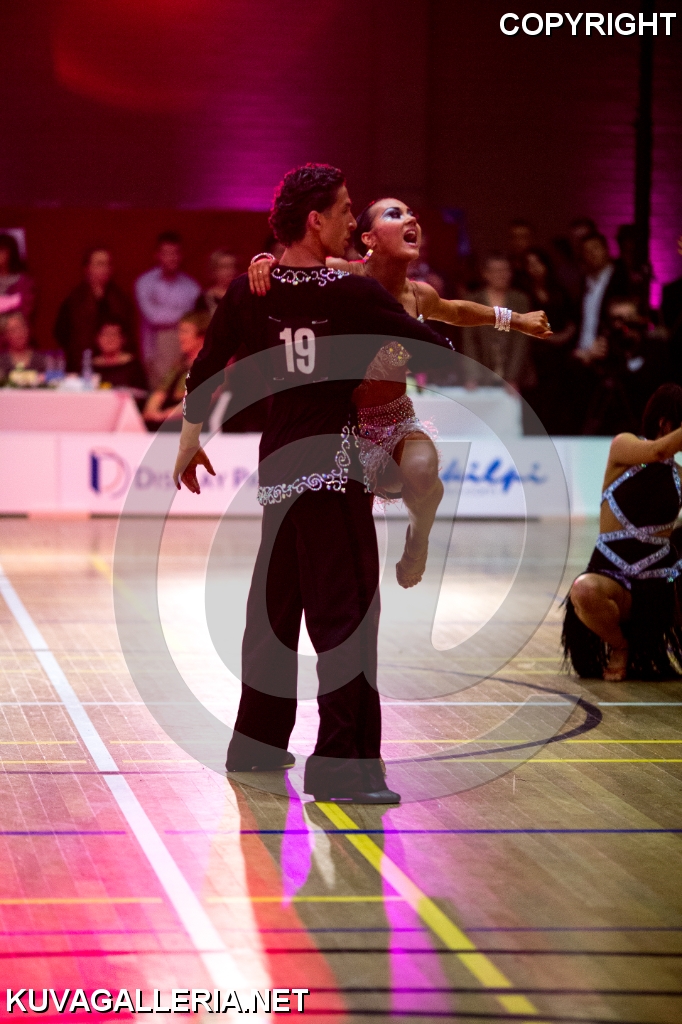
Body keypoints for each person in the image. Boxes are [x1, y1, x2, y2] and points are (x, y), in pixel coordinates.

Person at [173, 163, 463, 805]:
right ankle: (342, 766)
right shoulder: (349, 294)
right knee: (347, 616)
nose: (352, 221)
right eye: (344, 210)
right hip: (333, 468)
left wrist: (190, 440)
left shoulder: (251, 290)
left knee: (274, 613)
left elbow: (206, 366)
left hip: (278, 469)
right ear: (315, 220)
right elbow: (433, 349)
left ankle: (257, 743)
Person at [249, 200, 550, 584]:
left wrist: (516, 319)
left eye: (411, 214)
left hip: (393, 420)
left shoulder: (418, 296)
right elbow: (293, 268)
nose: (410, 219)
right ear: (369, 238)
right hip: (337, 426)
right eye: (394, 214)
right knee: (340, 533)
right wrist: (264, 262)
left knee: (423, 469)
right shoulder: (340, 273)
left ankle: (418, 541)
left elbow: (457, 311)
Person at [563, 384, 682, 682]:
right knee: (584, 590)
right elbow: (657, 451)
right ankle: (620, 646)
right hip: (612, 576)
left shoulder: (679, 475)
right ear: (665, 424)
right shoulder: (624, 446)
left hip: (660, 583)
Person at [581, 298, 669, 437]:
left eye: (630, 318)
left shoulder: (657, 352)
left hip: (647, 431)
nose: (625, 325)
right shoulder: (605, 353)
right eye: (618, 319)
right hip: (609, 433)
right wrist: (588, 360)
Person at [521, 248, 577, 434]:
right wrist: (550, 337)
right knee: (537, 402)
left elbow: (572, 320)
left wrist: (563, 337)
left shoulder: (559, 291)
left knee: (560, 402)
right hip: (536, 355)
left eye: (538, 263)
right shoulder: (524, 293)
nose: (535, 268)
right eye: (530, 264)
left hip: (560, 356)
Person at [135, 231, 200, 389]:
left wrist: (170, 315)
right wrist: (183, 313)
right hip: (153, 354)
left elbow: (193, 321)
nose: (171, 258)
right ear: (157, 255)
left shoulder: (192, 287)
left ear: (181, 255)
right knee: (156, 398)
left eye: (175, 253)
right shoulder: (145, 283)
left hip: (183, 355)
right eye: (166, 253)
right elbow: (154, 317)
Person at [54, 247, 135, 374]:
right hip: (82, 364)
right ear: (87, 269)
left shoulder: (121, 300)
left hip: (116, 367)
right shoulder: (74, 301)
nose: (105, 268)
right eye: (99, 264)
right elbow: (61, 333)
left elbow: (128, 334)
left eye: (107, 264)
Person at [460, 254, 533, 392]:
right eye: (498, 271)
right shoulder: (474, 300)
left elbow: (520, 340)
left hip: (515, 373)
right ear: (486, 274)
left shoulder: (520, 300)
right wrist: (472, 375)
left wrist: (512, 378)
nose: (503, 275)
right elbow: (469, 341)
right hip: (483, 370)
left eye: (506, 270)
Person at [144, 311, 210, 430]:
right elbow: (160, 392)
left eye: (185, 332)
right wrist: (151, 411)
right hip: (165, 423)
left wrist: (162, 416)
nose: (180, 337)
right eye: (180, 331)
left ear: (202, 337)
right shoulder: (178, 366)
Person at [92, 319, 148, 395]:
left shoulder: (133, 365)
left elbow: (142, 393)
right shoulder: (90, 366)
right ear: (97, 339)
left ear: (123, 339)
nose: (110, 339)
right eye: (105, 334)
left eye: (114, 334)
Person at [0, 311, 47, 383]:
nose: (19, 333)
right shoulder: (1, 362)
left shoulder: (42, 360)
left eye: (22, 327)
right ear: (5, 335)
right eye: (13, 330)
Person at [0, 234, 35, 320]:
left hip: (15, 326)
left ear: (11, 253)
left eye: (1, 250)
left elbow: (25, 311)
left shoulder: (24, 281)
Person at [195, 250, 239, 319]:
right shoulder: (204, 300)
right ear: (214, 270)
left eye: (233, 266)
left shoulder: (243, 296)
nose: (230, 271)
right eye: (225, 267)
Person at [507, 218, 535, 294]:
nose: (518, 241)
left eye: (523, 237)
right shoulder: (504, 265)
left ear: (531, 239)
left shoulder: (539, 264)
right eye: (514, 237)